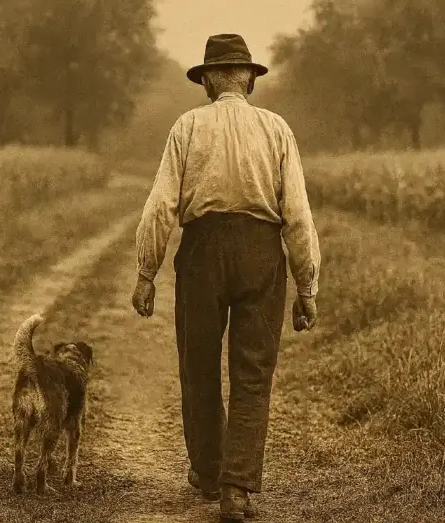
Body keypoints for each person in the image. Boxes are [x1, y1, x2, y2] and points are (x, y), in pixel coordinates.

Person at [131, 33, 320, 521]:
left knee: (198, 363)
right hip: (262, 251)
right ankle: (237, 488)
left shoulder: (188, 126)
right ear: (250, 80)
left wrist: (146, 272)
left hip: (202, 252)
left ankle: (210, 472)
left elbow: (160, 205)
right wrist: (307, 286)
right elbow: (297, 214)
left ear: (210, 80)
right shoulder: (277, 129)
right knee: (253, 372)